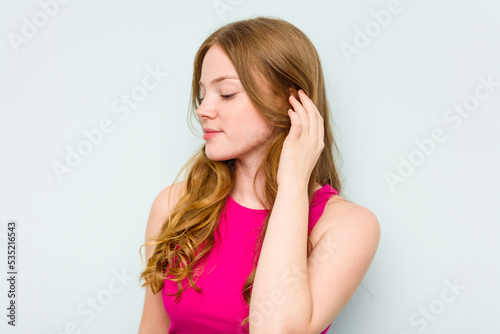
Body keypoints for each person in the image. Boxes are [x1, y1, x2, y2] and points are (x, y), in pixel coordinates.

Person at [138, 16, 380, 334]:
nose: (202, 109)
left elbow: (277, 330)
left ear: (289, 101)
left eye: (226, 94)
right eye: (201, 95)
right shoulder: (173, 205)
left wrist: (292, 185)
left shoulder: (348, 226)